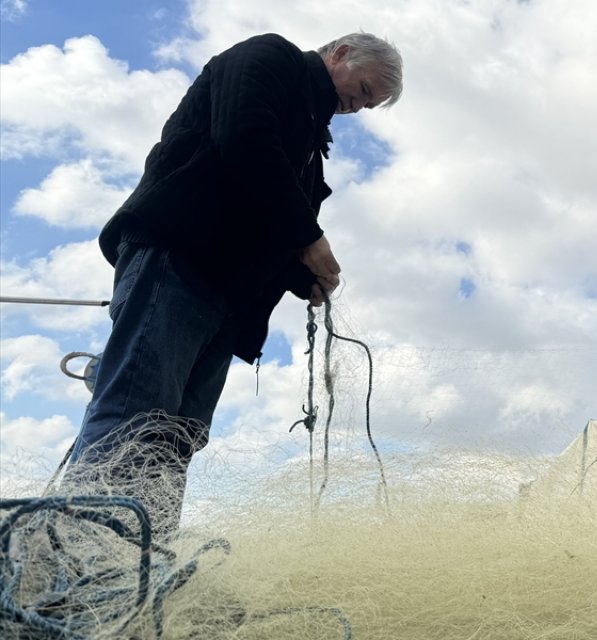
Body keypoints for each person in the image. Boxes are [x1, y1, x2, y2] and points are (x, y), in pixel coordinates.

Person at [60, 32, 404, 534]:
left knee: (178, 435)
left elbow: (261, 219)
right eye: (367, 89)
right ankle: (75, 557)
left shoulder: (310, 139)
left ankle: (140, 560)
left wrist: (297, 278)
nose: (363, 105)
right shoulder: (271, 58)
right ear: (342, 54)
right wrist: (307, 235)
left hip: (225, 297)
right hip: (179, 260)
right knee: (136, 411)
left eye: (372, 103)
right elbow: (243, 138)